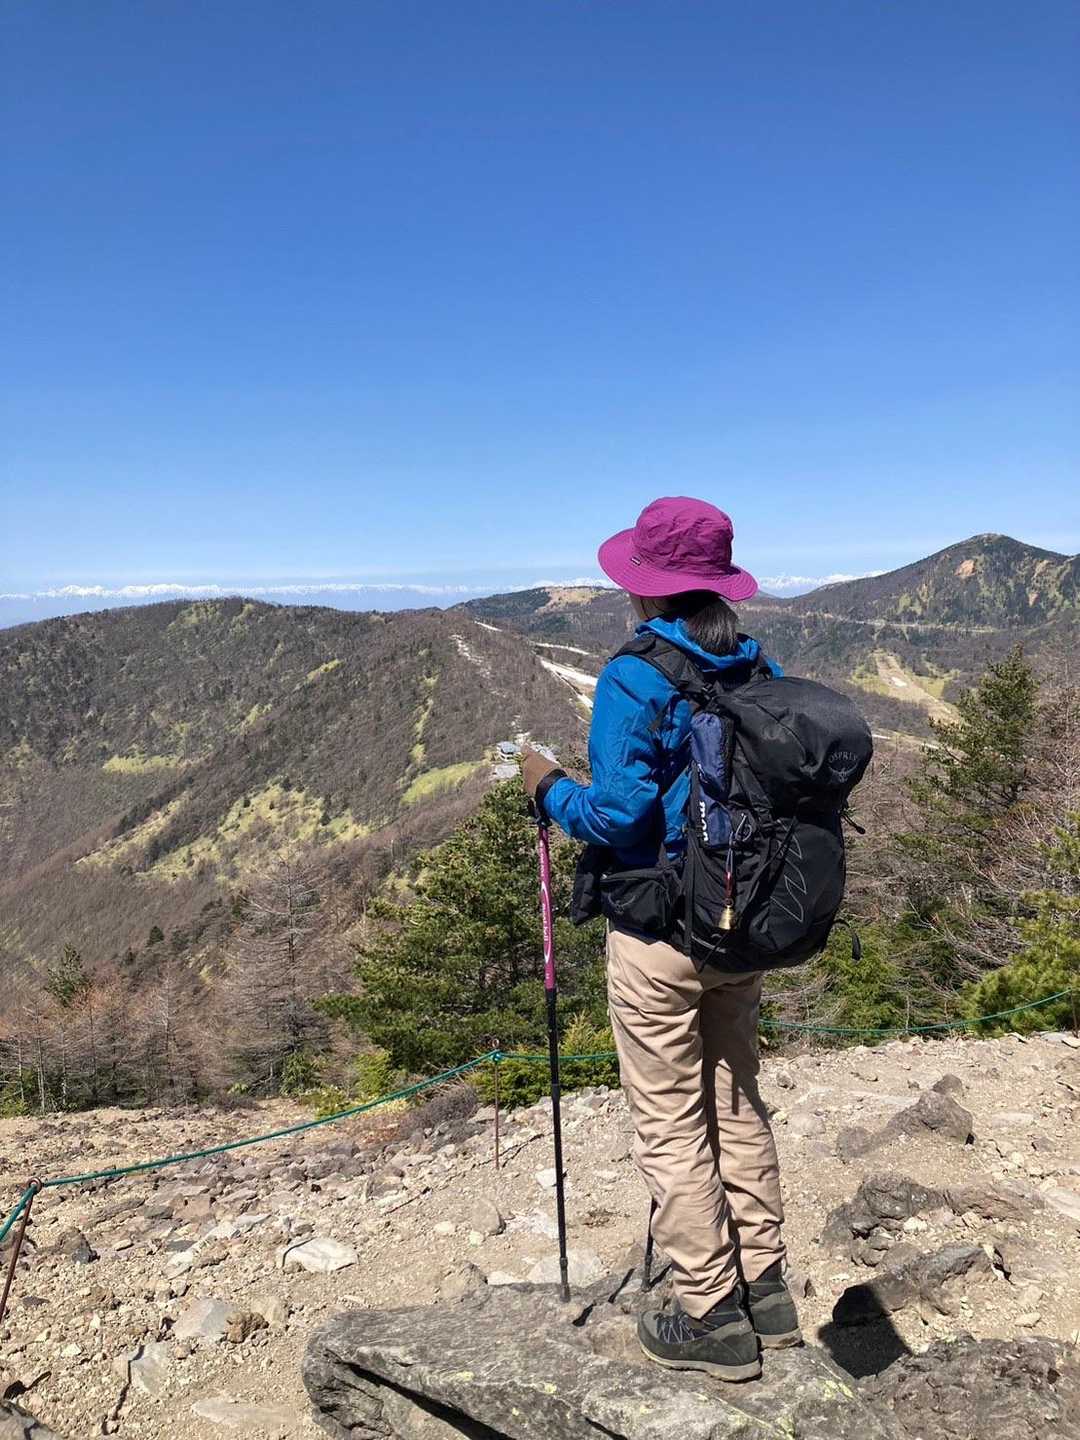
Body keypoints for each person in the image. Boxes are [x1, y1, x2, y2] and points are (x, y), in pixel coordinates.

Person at [522, 496, 800, 1382]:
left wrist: (546, 787)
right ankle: (767, 1292)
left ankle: (709, 1315)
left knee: (670, 1121)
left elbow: (616, 813)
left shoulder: (635, 677)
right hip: (741, 925)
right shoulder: (756, 665)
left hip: (659, 934)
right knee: (736, 1099)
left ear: (645, 587)